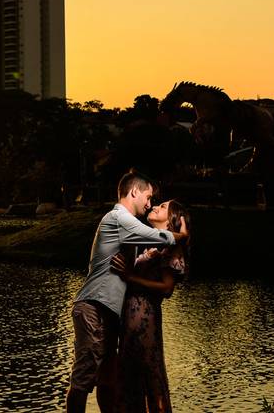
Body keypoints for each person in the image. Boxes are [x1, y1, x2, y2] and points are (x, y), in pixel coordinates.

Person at [65, 170, 189, 413]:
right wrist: (182, 236)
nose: (150, 203)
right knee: (84, 379)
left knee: (108, 379)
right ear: (135, 192)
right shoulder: (119, 219)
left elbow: (159, 275)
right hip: (94, 307)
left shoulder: (130, 231)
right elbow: (159, 236)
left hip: (111, 314)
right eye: (149, 197)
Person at [110, 200, 190, 413]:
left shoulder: (171, 249)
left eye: (162, 207)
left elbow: (167, 288)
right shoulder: (152, 245)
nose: (154, 206)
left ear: (172, 220)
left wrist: (129, 277)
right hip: (129, 321)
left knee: (151, 380)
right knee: (129, 382)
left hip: (146, 320)